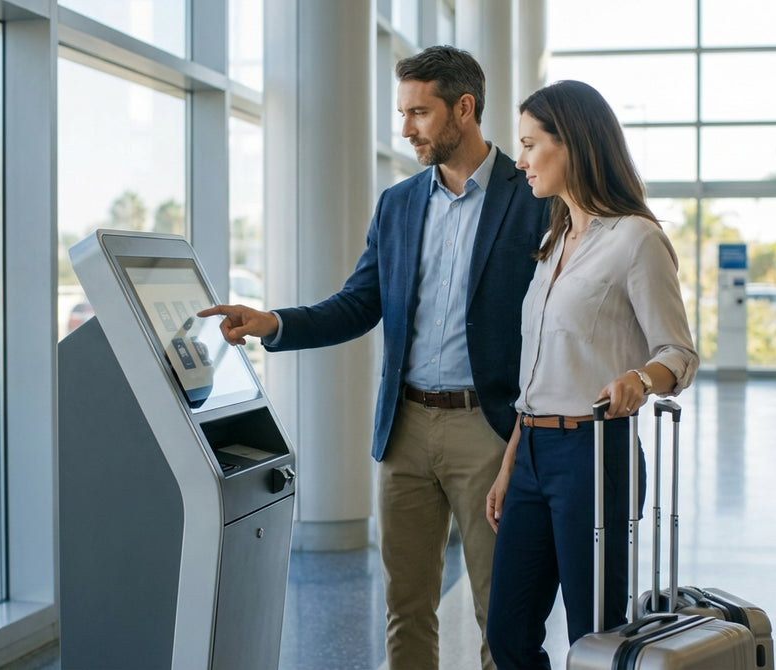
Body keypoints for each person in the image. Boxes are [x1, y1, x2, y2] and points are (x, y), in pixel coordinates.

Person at [198, 46, 547, 670]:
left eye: (419, 112)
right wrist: (272, 322)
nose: (407, 128)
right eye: (402, 112)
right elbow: (358, 304)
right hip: (405, 429)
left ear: (464, 109)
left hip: (488, 431)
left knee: (502, 611)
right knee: (406, 605)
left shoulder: (533, 199)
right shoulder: (399, 204)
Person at [483, 80, 699, 670]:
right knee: (508, 633)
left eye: (531, 144)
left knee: (594, 636)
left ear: (572, 144)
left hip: (594, 456)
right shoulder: (554, 241)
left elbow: (679, 351)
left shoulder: (636, 239)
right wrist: (510, 465)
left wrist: (642, 379)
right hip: (531, 452)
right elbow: (538, 372)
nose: (521, 159)